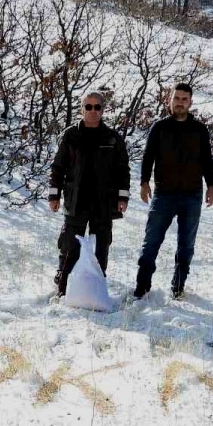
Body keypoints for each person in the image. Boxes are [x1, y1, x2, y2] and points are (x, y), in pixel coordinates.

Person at [134, 82, 213, 300]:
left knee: (186, 245)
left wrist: (211, 186)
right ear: (169, 100)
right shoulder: (159, 127)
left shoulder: (199, 129)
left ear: (190, 102)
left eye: (184, 99)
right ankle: (142, 287)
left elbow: (207, 159)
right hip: (164, 194)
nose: (180, 102)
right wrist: (144, 182)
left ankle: (178, 287)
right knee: (151, 241)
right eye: (176, 98)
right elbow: (148, 155)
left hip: (192, 195)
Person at [49, 91, 131, 297]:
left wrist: (123, 197)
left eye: (97, 107)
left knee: (101, 246)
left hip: (103, 201)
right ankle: (63, 288)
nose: (92, 111)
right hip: (76, 199)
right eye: (88, 106)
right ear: (82, 109)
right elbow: (58, 167)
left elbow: (123, 170)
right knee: (69, 244)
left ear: (103, 110)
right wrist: (54, 195)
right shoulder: (71, 135)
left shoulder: (113, 138)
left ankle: (96, 291)